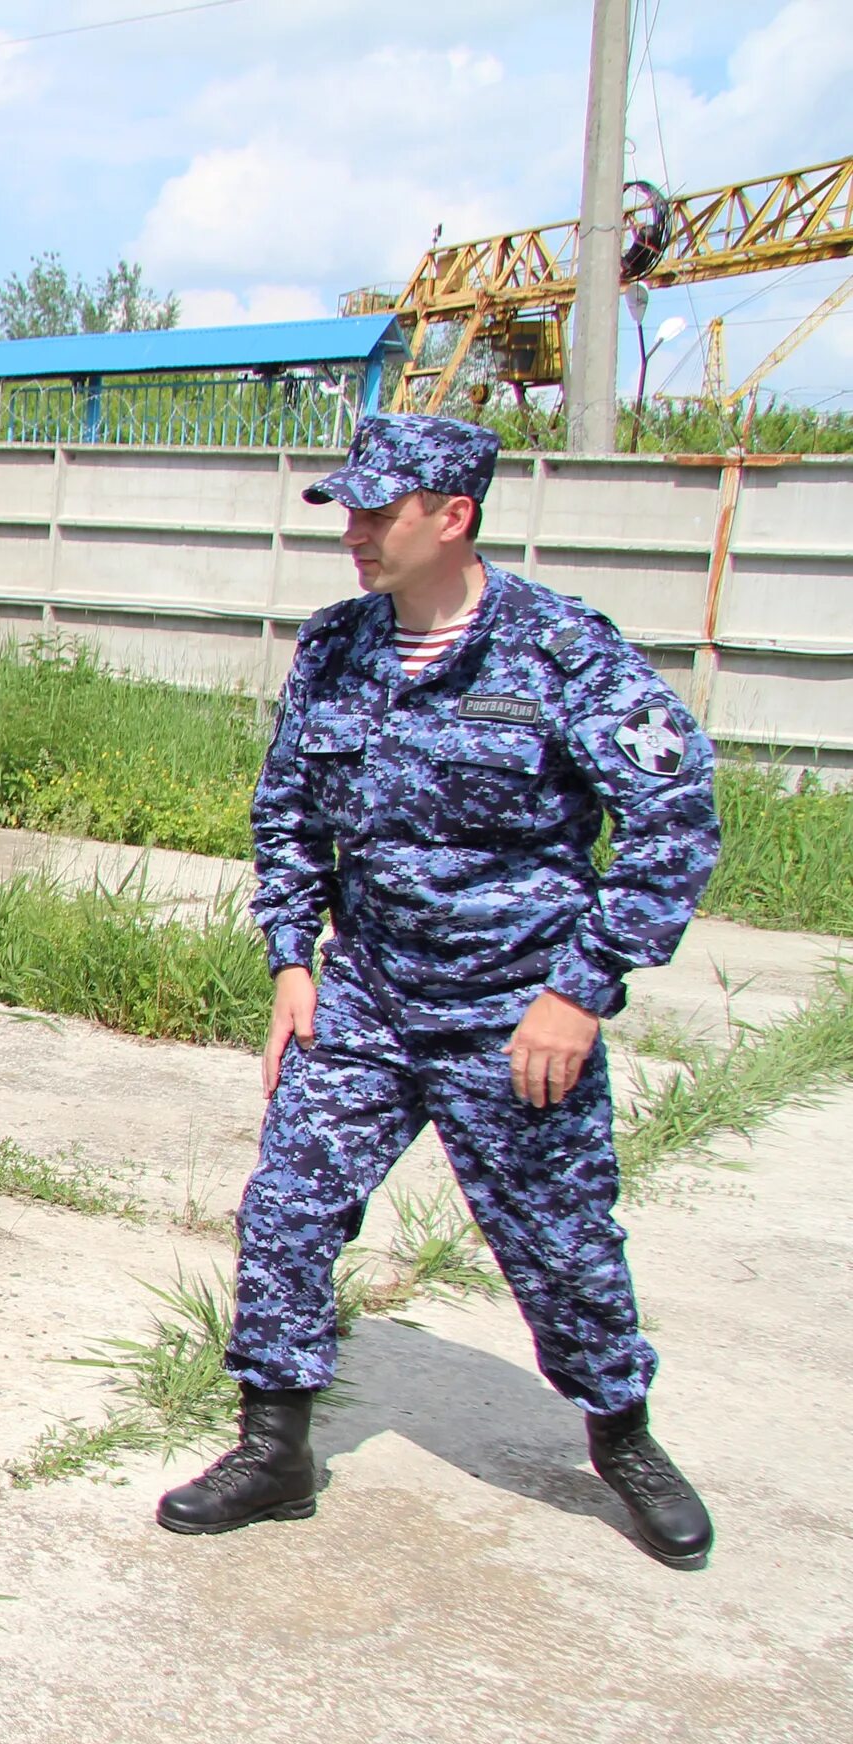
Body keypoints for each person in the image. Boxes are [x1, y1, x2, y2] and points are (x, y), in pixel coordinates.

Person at [158, 413, 720, 1569]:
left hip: (513, 1015)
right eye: (349, 509)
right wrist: (291, 959)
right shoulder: (337, 646)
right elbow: (290, 815)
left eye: (379, 509)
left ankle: (622, 1436)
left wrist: (583, 987)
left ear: (453, 516)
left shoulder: (563, 650)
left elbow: (673, 822)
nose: (354, 531)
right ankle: (276, 1446)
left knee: (561, 1245)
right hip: (363, 997)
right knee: (286, 1211)